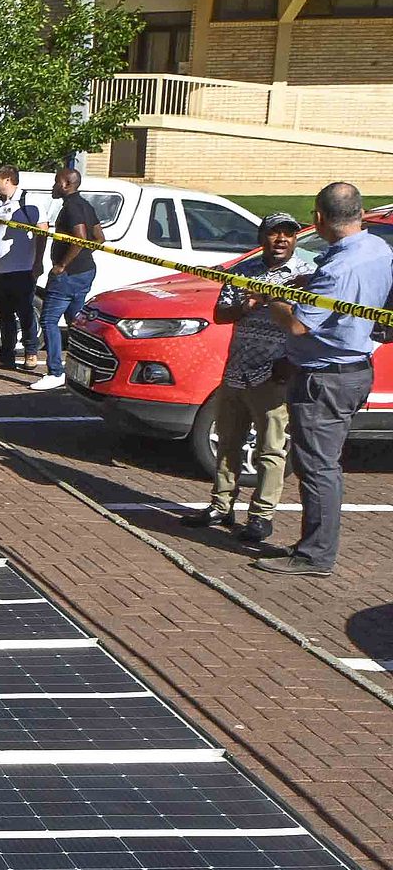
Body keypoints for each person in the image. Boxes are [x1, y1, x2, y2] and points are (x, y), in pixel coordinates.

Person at [252, 182, 393, 576]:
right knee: (317, 463)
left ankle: (315, 556)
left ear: (318, 218)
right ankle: (311, 544)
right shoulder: (378, 249)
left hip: (326, 377)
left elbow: (298, 326)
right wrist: (307, 288)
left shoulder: (340, 266)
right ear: (360, 212)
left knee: (317, 466)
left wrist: (273, 298)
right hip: (352, 368)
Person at [181, 212, 312, 546]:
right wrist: (246, 305)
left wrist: (292, 362)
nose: (281, 239)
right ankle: (221, 505)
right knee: (228, 442)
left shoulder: (306, 276)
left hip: (274, 372)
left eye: (288, 234)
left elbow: (310, 326)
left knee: (271, 449)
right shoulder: (244, 272)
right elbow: (220, 314)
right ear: (262, 238)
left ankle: (261, 517)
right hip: (237, 369)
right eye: (274, 233)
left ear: (295, 240)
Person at [34, 167, 102, 391]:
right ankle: (82, 368)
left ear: (66, 184)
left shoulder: (72, 207)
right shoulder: (86, 205)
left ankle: (55, 372)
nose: (53, 186)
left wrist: (63, 264)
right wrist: (82, 258)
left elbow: (81, 238)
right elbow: (99, 238)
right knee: (76, 322)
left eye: (56, 181)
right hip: (85, 273)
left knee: (49, 321)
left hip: (69, 275)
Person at [0, 164, 45, 371]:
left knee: (25, 312)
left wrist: (38, 262)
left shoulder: (28, 201)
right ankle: (6, 355)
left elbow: (42, 231)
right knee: (4, 314)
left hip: (22, 269)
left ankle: (31, 353)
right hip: (0, 271)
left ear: (7, 180)